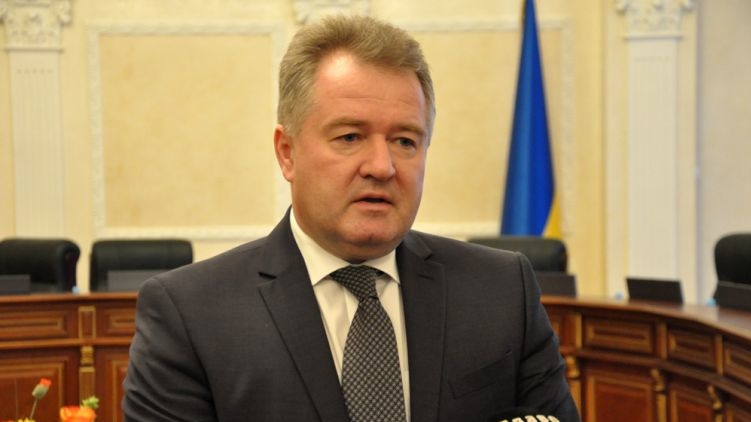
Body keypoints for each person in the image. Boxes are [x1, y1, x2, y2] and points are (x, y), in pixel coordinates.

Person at [122, 14, 581, 422]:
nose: (382, 166)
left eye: (405, 141)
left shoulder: (501, 291)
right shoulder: (191, 314)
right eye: (349, 137)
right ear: (287, 153)